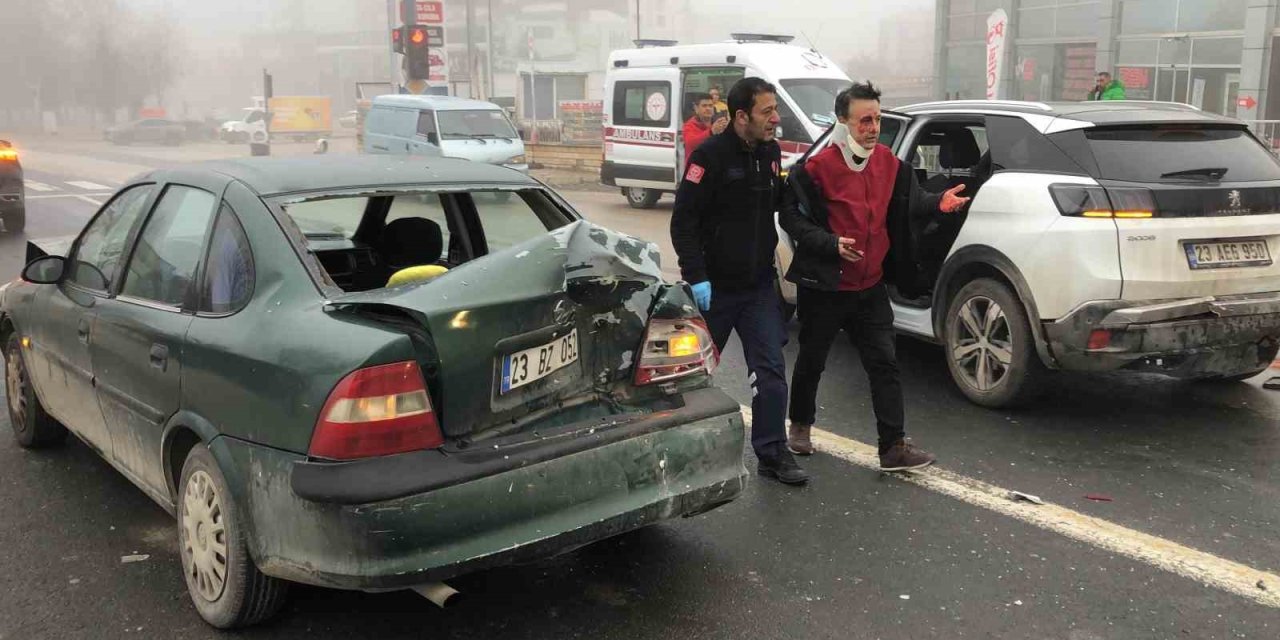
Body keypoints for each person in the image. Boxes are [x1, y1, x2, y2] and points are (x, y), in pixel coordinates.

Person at [778, 81, 969, 471]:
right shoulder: (816, 169)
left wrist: (939, 203)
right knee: (812, 360)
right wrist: (830, 243)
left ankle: (893, 446)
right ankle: (800, 425)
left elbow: (911, 204)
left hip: (870, 286)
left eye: (877, 119)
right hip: (827, 286)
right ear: (843, 122)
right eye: (864, 120)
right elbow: (791, 218)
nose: (873, 127)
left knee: (885, 364)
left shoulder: (889, 164)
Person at [671, 77, 808, 486]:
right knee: (690, 375)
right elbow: (684, 222)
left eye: (775, 109)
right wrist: (696, 276)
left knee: (770, 372)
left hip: (757, 288)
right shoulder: (709, 157)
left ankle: (772, 452)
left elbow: (779, 202)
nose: (776, 118)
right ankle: (677, 453)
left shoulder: (768, 153)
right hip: (715, 290)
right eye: (768, 111)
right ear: (741, 116)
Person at [682, 93, 727, 165]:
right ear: (696, 108)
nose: (708, 108)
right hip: (696, 168)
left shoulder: (717, 123)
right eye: (704, 106)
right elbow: (691, 143)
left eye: (710, 106)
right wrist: (711, 132)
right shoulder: (689, 125)